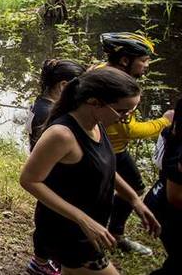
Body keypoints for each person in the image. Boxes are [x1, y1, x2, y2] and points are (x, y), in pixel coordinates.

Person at [19, 68, 161, 275]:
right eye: (122, 111)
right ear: (94, 102)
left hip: (88, 224)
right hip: (67, 229)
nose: (126, 118)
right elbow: (29, 180)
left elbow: (104, 168)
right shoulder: (62, 135)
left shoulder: (96, 124)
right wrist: (83, 219)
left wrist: (133, 199)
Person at [100, 32, 173, 255]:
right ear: (125, 60)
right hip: (106, 149)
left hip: (114, 147)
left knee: (133, 186)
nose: (147, 66)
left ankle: (114, 233)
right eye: (143, 60)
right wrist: (164, 122)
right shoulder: (115, 86)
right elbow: (130, 130)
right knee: (108, 192)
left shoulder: (102, 71)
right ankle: (104, 234)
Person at [24, 59, 86, 275]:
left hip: (47, 170)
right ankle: (41, 261)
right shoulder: (49, 113)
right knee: (50, 219)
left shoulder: (42, 103)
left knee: (49, 216)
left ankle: (44, 259)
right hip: (51, 174)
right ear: (63, 85)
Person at [145, 98, 182, 275]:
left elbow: (159, 163)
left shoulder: (171, 132)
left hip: (159, 197)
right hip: (169, 210)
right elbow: (176, 198)